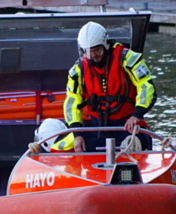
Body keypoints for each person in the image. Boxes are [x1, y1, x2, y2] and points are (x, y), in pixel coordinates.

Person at [64, 21, 156, 152]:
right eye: (89, 52)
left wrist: (137, 115)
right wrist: (77, 134)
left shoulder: (128, 59)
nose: (93, 56)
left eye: (97, 50)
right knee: (80, 148)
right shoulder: (78, 70)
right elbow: (72, 101)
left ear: (105, 45)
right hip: (96, 125)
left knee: (137, 144)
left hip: (127, 123)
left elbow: (146, 86)